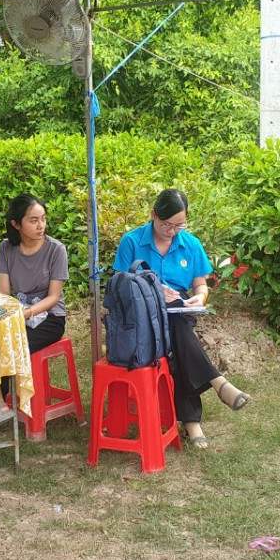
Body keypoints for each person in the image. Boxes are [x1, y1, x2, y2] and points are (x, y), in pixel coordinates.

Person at [111, 189, 250, 449]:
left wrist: (200, 297)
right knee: (177, 332)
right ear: (153, 215)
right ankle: (211, 392)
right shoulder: (132, 241)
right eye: (167, 225)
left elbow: (200, 285)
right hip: (140, 312)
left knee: (176, 329)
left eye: (179, 226)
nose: (172, 231)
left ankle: (194, 416)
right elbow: (119, 285)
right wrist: (153, 288)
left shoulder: (190, 244)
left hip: (178, 309)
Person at [0, 194, 69, 467]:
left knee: (3, 351)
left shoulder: (56, 250)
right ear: (16, 224)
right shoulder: (6, 249)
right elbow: (4, 294)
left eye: (43, 219)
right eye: (33, 220)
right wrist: (11, 314)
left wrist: (26, 312)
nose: (41, 225)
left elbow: (53, 297)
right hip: (15, 316)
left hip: (48, 318)